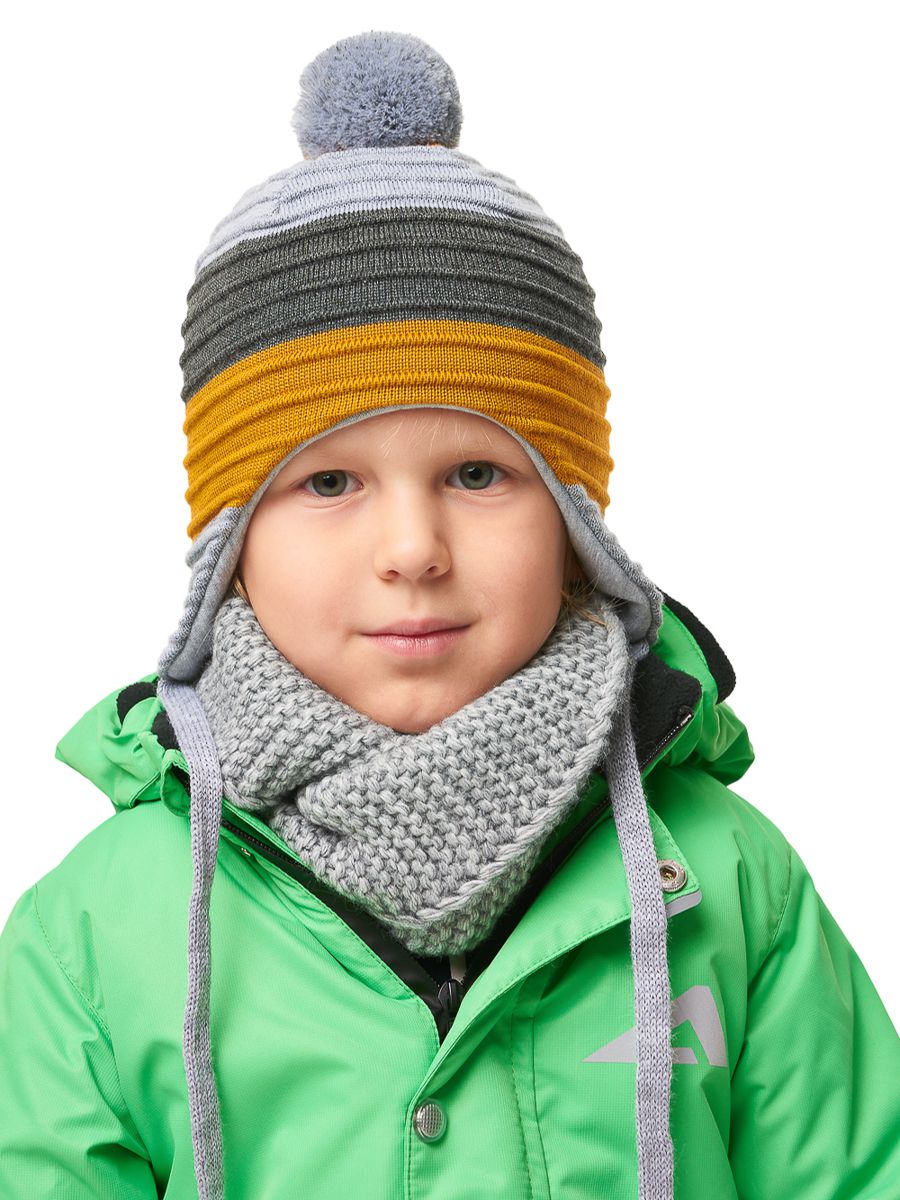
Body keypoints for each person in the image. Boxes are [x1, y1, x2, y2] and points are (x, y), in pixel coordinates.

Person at [0, 29, 897, 1200]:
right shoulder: (97, 927)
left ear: (576, 525)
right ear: (230, 549)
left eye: (480, 474)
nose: (413, 550)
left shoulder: (725, 882)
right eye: (328, 482)